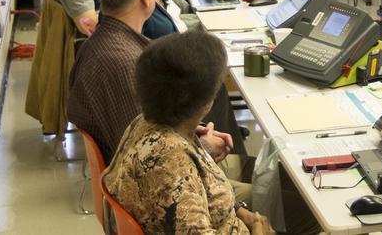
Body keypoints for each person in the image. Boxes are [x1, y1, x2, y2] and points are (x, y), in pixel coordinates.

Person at [66, 0, 231, 165]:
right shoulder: (128, 64)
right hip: (160, 188)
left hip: (135, 174)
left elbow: (148, 131)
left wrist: (191, 130)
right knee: (265, 187)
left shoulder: (96, 46)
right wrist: (205, 147)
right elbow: (150, 158)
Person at [104, 32, 273, 235]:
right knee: (296, 200)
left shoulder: (143, 122)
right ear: (205, 101)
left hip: (222, 217)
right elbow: (177, 183)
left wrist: (238, 210)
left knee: (277, 179)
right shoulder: (171, 164)